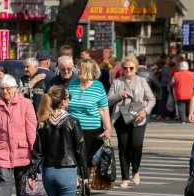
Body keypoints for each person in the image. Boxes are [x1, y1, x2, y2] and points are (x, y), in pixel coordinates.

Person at [27, 85, 88, 196]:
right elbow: (80, 150)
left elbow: (36, 151)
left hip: (48, 172)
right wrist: (84, 175)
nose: (69, 101)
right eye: (68, 98)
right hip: (66, 172)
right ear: (62, 102)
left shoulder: (43, 122)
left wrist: (31, 174)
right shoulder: (72, 122)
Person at [107, 56, 156, 188]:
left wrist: (145, 111)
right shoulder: (117, 82)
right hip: (121, 118)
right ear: (121, 69)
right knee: (123, 147)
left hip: (138, 118)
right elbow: (107, 100)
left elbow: (151, 99)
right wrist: (119, 95)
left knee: (136, 145)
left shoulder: (141, 81)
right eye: (125, 68)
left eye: (131, 68)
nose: (128, 70)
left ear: (136, 69)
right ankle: (125, 177)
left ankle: (135, 170)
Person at [66, 59, 111, 167]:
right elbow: (65, 104)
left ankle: (85, 181)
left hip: (91, 129)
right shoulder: (72, 84)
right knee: (73, 157)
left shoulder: (98, 86)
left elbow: (103, 110)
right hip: (72, 128)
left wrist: (108, 128)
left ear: (88, 70)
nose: (78, 70)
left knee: (88, 159)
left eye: (81, 68)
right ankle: (76, 181)